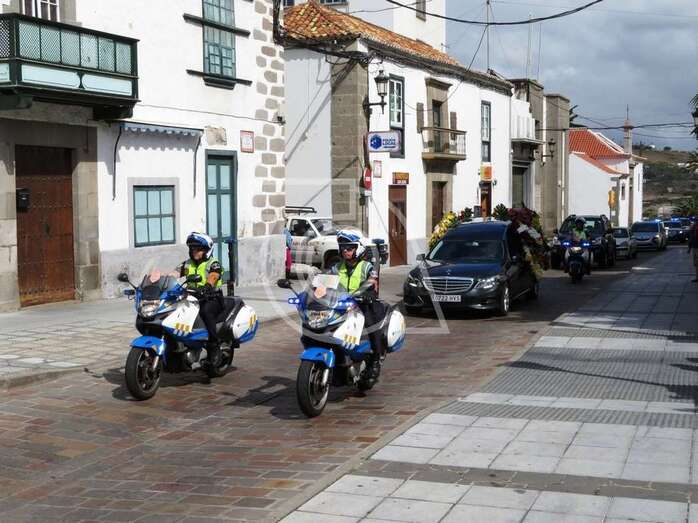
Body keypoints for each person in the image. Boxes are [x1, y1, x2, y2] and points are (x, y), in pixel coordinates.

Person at [330, 229, 387, 380]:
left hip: (362, 304)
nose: (345, 250)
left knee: (371, 324)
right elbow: (325, 282)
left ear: (358, 248)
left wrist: (368, 294)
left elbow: (373, 283)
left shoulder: (367, 267)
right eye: (343, 247)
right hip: (341, 305)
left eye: (349, 247)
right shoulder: (336, 267)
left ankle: (375, 360)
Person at [178, 232, 224, 367]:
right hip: (192, 298)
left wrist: (207, 286)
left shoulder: (213, 263)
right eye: (192, 249)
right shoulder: (187, 264)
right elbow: (174, 273)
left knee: (205, 312)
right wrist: (158, 279)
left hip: (211, 298)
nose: (194, 252)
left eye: (198, 249)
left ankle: (214, 346)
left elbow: (214, 275)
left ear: (206, 250)